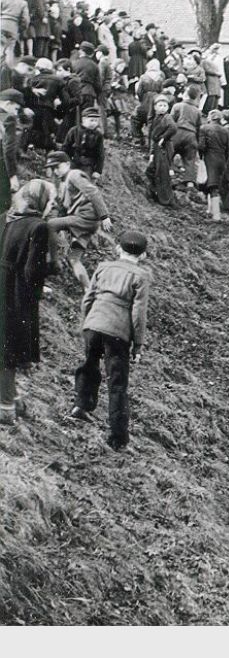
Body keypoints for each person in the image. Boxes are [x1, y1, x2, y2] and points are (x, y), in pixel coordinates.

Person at [72, 230, 150, 451]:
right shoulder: (141, 276)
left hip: (94, 323)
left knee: (89, 364)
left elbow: (88, 298)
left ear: (118, 249)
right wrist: (138, 345)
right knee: (117, 384)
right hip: (117, 332)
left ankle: (81, 405)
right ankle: (118, 438)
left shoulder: (104, 266)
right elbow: (138, 314)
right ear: (143, 255)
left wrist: (87, 322)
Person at [0, 179, 54, 424]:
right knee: (10, 349)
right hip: (17, 293)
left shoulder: (6, 218)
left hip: (2, 284)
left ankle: (12, 398)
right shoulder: (38, 227)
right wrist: (44, 283)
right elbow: (33, 270)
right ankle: (6, 406)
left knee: (4, 345)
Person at [46, 151, 113, 290]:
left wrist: (104, 216)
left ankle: (53, 264)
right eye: (52, 168)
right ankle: (88, 290)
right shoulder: (63, 183)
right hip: (86, 224)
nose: (55, 171)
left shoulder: (74, 175)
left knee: (51, 225)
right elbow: (63, 208)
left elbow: (93, 192)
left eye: (57, 166)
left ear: (67, 164)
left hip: (85, 218)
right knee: (74, 259)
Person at [171, 84, 202, 199]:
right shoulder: (197, 111)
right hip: (191, 136)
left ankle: (171, 176)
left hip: (177, 133)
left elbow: (171, 121)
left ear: (185, 94)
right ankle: (189, 184)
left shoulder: (177, 106)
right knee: (190, 160)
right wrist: (197, 142)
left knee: (168, 154)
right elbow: (199, 128)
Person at [145, 94, 177, 207]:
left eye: (165, 105)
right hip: (157, 148)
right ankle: (155, 192)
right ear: (155, 107)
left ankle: (167, 200)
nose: (162, 107)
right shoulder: (155, 119)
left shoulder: (167, 117)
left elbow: (173, 128)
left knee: (163, 173)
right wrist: (152, 154)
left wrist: (163, 138)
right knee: (150, 170)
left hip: (165, 147)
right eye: (160, 105)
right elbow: (152, 138)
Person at [199, 109, 229, 221]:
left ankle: (216, 215)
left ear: (210, 118)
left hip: (209, 159)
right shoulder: (226, 131)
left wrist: (201, 157)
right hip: (221, 160)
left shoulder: (204, 128)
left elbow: (201, 146)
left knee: (212, 187)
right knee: (213, 185)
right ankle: (210, 210)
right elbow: (228, 149)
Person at [63, 105, 105, 179]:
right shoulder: (74, 131)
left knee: (84, 181)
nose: (94, 123)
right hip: (73, 162)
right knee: (69, 179)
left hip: (88, 165)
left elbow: (100, 154)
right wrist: (65, 162)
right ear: (83, 119)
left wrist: (98, 171)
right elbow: (65, 147)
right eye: (91, 120)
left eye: (96, 121)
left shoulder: (98, 135)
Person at [0, 89, 20, 212]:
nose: (16, 114)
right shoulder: (9, 118)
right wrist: (12, 175)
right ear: (8, 104)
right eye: (16, 109)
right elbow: (8, 149)